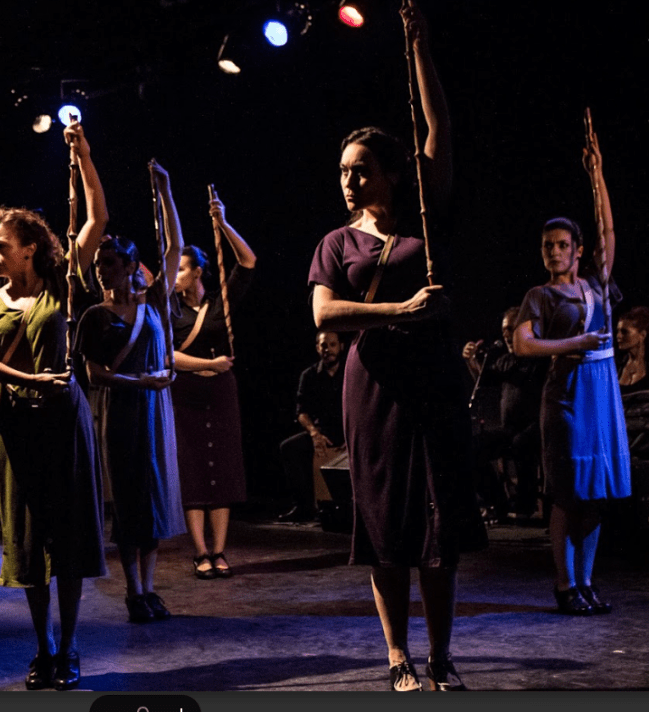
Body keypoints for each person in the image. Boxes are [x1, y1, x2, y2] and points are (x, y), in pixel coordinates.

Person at [307, 1, 484, 692]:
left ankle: (440, 656)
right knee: (385, 527)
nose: (350, 181)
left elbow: (440, 129)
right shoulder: (336, 242)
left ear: (389, 169)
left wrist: (418, 48)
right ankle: (396, 656)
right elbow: (325, 313)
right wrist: (399, 309)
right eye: (343, 171)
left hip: (432, 382)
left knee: (437, 528)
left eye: (360, 169)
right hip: (373, 387)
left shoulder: (424, 220)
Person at [0, 121, 107, 692]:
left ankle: (69, 647)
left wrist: (83, 156)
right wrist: (27, 378)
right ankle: (42, 647)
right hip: (15, 430)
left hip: (64, 426)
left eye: (0, 245)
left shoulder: (61, 286)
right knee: (28, 543)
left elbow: (96, 219)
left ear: (30, 248)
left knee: (66, 540)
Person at [514, 116, 631, 617]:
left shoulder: (597, 284)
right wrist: (573, 343)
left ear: (578, 251)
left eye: (563, 245)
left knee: (596, 494)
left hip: (602, 393)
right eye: (548, 245)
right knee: (568, 493)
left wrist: (596, 173)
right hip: (566, 396)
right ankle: (565, 585)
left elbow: (608, 229)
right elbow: (522, 345)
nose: (555, 252)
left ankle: (586, 581)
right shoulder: (539, 295)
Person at [76, 162, 187, 621]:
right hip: (119, 414)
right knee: (127, 502)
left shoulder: (153, 302)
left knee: (153, 498)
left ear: (128, 266)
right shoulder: (95, 317)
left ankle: (150, 587)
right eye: (98, 264)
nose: (101, 271)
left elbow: (174, 247)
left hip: (154, 412)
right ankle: (133, 590)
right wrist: (140, 381)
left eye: (109, 263)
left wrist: (165, 190)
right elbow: (94, 374)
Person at [169, 193, 255, 579]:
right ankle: (200, 553)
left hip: (221, 394)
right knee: (192, 472)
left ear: (198, 272)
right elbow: (169, 356)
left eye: (181, 270)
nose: (175, 277)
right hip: (185, 394)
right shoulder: (170, 310)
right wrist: (210, 364)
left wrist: (223, 224)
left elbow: (248, 261)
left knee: (223, 469)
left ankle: (219, 551)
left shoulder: (220, 301)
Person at [461, 307, 548, 521]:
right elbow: (483, 382)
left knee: (521, 443)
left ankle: (525, 505)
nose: (505, 334)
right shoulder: (506, 359)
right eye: (503, 330)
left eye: (510, 328)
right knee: (473, 447)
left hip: (537, 427)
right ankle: (498, 502)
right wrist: (472, 361)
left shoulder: (539, 356)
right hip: (510, 428)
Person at [277, 330, 347, 524]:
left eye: (332, 345)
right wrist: (315, 434)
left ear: (341, 346)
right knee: (289, 448)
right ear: (317, 348)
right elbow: (301, 411)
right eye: (324, 345)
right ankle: (303, 506)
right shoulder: (309, 375)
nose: (328, 350)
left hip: (347, 433)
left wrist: (352, 437)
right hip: (321, 433)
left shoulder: (349, 374)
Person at [616, 306, 649, 395]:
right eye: (618, 331)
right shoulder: (617, 365)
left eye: (624, 332)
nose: (618, 336)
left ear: (642, 335)